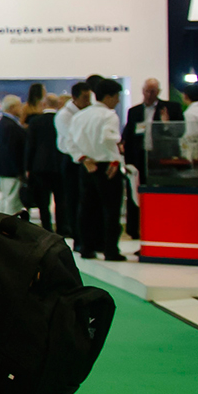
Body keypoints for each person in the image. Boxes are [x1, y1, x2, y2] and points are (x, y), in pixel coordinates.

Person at [69, 75, 126, 261]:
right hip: (107, 166)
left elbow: (69, 142)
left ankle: (86, 248)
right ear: (108, 97)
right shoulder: (109, 115)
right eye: (117, 96)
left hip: (86, 166)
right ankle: (110, 250)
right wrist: (115, 159)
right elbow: (109, 138)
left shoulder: (80, 116)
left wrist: (83, 158)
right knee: (110, 210)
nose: (118, 100)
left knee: (86, 209)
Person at [124, 80, 174, 238]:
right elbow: (129, 136)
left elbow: (178, 134)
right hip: (139, 159)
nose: (149, 94)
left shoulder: (170, 108)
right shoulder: (135, 111)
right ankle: (134, 229)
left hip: (159, 159)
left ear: (158, 91)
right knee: (136, 195)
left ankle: (159, 226)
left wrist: (166, 125)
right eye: (147, 91)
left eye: (153, 91)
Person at [54, 81, 91, 240]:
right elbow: (74, 140)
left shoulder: (86, 113)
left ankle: (86, 234)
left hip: (85, 159)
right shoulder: (65, 115)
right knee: (73, 198)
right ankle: (77, 234)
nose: (87, 101)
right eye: (84, 97)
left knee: (85, 199)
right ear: (75, 97)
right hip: (71, 160)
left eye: (89, 97)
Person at [25, 94, 65, 236]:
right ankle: (62, 228)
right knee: (60, 199)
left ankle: (47, 228)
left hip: (39, 166)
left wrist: (28, 167)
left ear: (43, 104)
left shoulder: (35, 122)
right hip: (59, 165)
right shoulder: (60, 120)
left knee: (43, 201)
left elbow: (30, 146)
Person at [0, 97, 28, 217]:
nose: (21, 108)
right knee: (12, 201)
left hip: (4, 168)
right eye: (19, 105)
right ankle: (8, 226)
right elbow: (12, 150)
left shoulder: (2, 124)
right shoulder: (11, 126)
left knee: (5, 198)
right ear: (12, 107)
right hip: (12, 170)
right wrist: (19, 171)